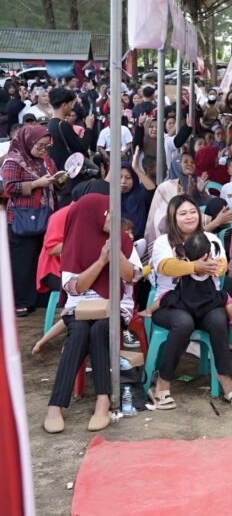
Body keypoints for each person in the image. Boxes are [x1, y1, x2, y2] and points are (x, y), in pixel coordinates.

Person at [43, 193, 139, 434]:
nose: (111, 217)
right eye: (107, 212)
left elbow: (130, 277)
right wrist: (100, 260)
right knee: (78, 332)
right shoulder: (73, 244)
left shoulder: (122, 240)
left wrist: (115, 253)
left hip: (114, 306)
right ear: (91, 216)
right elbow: (77, 287)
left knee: (100, 329)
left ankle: (103, 400)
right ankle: (55, 405)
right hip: (80, 307)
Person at [147, 195, 232, 410]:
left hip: (205, 301)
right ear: (173, 218)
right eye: (183, 213)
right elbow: (166, 266)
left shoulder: (210, 239)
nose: (189, 217)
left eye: (193, 212)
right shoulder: (163, 242)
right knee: (184, 323)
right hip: (170, 303)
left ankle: (225, 380)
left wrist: (214, 267)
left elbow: (221, 265)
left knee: (219, 318)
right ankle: (162, 382)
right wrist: (195, 267)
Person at [2, 124, 63, 317]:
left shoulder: (46, 160)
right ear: (28, 142)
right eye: (40, 146)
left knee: (41, 258)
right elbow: (10, 187)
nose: (43, 150)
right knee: (22, 262)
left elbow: (53, 182)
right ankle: (20, 301)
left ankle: (39, 298)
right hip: (22, 217)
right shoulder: (13, 160)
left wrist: (59, 181)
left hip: (46, 215)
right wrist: (37, 183)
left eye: (46, 146)